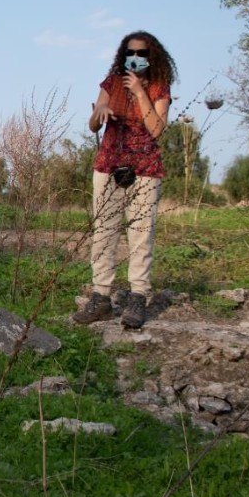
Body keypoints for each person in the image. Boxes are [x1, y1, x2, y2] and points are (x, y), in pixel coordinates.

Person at [73, 31, 177, 330]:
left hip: (144, 168)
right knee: (104, 232)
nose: (135, 57)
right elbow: (93, 123)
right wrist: (100, 112)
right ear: (123, 54)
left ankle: (137, 297)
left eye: (141, 53)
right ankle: (101, 297)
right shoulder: (113, 82)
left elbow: (157, 129)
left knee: (141, 234)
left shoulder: (159, 87)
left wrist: (141, 94)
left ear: (151, 56)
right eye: (130, 52)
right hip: (109, 165)